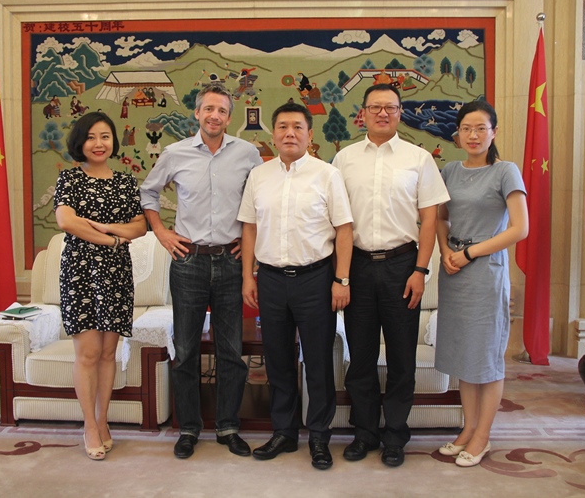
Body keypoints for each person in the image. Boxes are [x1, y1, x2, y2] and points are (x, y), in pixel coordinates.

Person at [140, 82, 262, 459]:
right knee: (187, 349)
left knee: (230, 350)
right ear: (197, 113)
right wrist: (161, 232)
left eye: (222, 110)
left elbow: (263, 199)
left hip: (231, 261)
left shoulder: (247, 154)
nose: (215, 116)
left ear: (229, 117)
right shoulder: (175, 153)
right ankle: (189, 428)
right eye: (209, 109)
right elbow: (148, 193)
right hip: (188, 261)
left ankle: (228, 426)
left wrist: (253, 246)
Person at [332, 83, 449, 467]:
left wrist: (420, 270)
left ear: (400, 113)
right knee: (361, 356)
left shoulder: (419, 159)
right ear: (363, 113)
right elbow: (335, 219)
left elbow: (430, 219)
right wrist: (341, 275)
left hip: (403, 265)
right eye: (375, 107)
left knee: (401, 358)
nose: (383, 113)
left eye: (390, 107)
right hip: (358, 265)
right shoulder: (344, 159)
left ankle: (396, 435)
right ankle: (365, 433)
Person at [239, 102, 353, 470]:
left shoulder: (327, 175)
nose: (290, 133)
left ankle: (319, 436)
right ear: (273, 134)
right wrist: (248, 276)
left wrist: (341, 279)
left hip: (315, 279)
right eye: (283, 127)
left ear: (309, 134)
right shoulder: (259, 176)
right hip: (271, 279)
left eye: (297, 127)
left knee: (318, 361)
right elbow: (249, 227)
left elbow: (344, 230)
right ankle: (284, 432)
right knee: (277, 360)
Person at [435, 100, 528, 467]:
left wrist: (469, 253)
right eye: (466, 129)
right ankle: (468, 428)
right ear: (457, 134)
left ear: (493, 132)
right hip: (453, 271)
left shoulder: (506, 171)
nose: (473, 135)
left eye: (480, 128)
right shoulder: (450, 170)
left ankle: (483, 436)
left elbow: (520, 228)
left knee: (486, 357)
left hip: (485, 271)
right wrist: (446, 251)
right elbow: (441, 218)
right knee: (465, 354)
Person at [54, 111, 147, 460]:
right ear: (81, 142)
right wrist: (111, 240)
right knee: (88, 353)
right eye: (91, 137)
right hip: (80, 271)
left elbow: (139, 226)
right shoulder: (70, 179)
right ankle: (89, 425)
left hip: (116, 273)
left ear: (113, 141)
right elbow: (67, 221)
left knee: (109, 353)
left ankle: (103, 420)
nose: (98, 143)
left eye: (105, 136)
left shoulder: (125, 182)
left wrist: (107, 228)